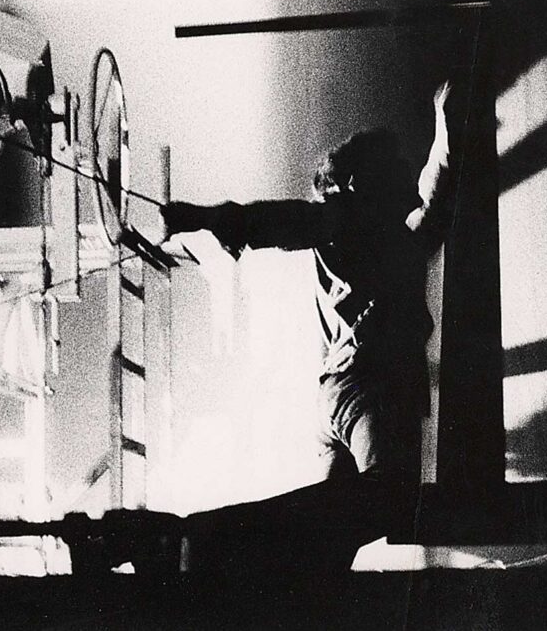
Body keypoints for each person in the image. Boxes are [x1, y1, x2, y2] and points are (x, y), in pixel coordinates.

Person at [163, 83, 455, 564]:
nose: (408, 174)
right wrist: (208, 217)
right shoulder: (350, 218)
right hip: (368, 389)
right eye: (398, 168)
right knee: (392, 495)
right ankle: (207, 536)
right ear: (364, 183)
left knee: (326, 550)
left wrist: (444, 125)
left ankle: (210, 552)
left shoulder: (394, 236)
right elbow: (289, 220)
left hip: (343, 396)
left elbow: (434, 194)